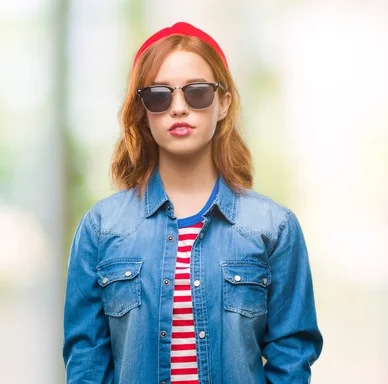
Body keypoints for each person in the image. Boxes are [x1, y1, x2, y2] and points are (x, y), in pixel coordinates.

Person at [62, 22, 322, 384]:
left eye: (197, 92)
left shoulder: (273, 227)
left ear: (223, 103)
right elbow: (86, 363)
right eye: (159, 95)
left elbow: (291, 358)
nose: (179, 108)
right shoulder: (101, 228)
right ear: (142, 110)